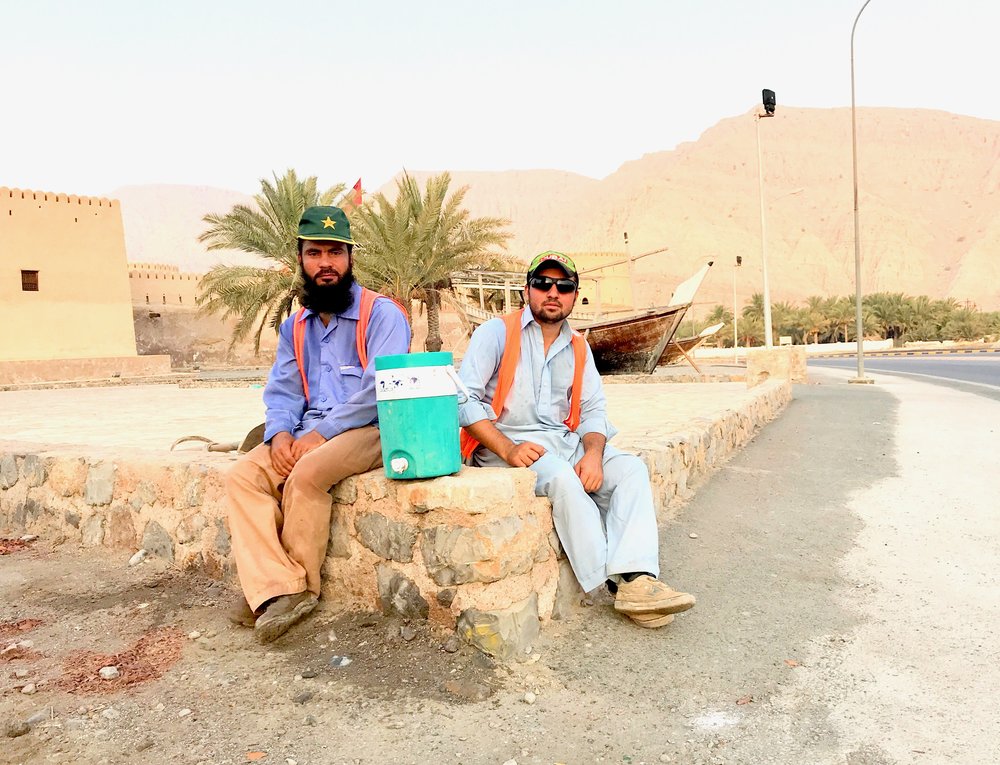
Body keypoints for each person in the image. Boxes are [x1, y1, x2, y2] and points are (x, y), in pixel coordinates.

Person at [457, 251, 695, 629]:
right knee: (564, 481)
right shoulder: (496, 334)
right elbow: (463, 398)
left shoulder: (579, 346)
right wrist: (507, 447)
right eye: (543, 284)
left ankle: (637, 578)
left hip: (562, 442)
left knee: (631, 469)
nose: (553, 292)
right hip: (507, 447)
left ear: (574, 294)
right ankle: (619, 583)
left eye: (563, 286)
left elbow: (593, 409)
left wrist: (594, 454)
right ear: (527, 290)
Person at [225, 205, 411, 643]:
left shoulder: (382, 315)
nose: (325, 263)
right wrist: (282, 434)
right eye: (314, 253)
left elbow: (379, 391)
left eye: (334, 252)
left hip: (373, 429)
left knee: (308, 474)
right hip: (308, 432)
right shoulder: (294, 327)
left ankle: (297, 590)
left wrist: (318, 436)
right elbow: (284, 391)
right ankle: (270, 587)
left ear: (350, 258)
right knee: (244, 476)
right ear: (300, 261)